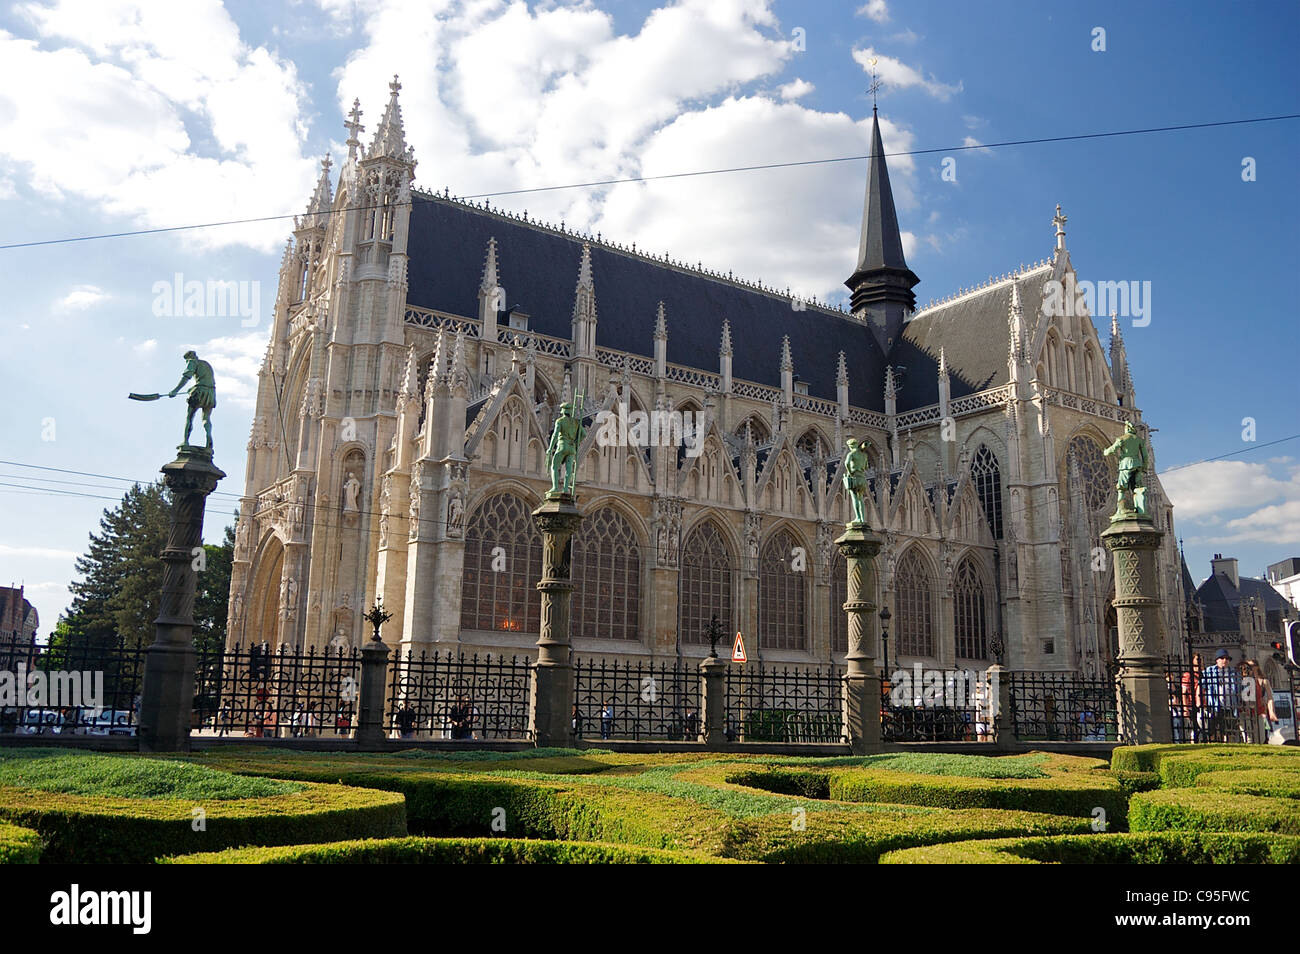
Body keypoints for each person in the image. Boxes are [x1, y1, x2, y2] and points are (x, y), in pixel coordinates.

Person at [1201, 650, 1240, 743]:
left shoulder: (1234, 673)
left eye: (1227, 658)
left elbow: (1239, 689)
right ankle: (1212, 746)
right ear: (1217, 660)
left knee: (1229, 730)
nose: (1225, 660)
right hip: (1215, 705)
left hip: (1230, 705)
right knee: (1212, 730)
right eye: (1222, 658)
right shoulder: (1209, 671)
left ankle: (1228, 747)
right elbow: (1202, 686)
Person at [1242, 659, 1279, 744]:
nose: (1249, 668)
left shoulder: (1263, 681)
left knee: (1261, 737)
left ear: (1257, 667)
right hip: (1247, 712)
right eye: (1247, 666)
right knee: (1249, 738)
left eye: (1252, 666)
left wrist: (1272, 712)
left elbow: (1270, 698)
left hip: (1260, 711)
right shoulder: (1244, 680)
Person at [1180, 653, 1204, 743]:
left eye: (1201, 659)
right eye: (1197, 659)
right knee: (1194, 729)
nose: (1200, 661)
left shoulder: (1204, 674)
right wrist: (1185, 708)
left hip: (1204, 704)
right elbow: (1184, 692)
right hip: (1192, 705)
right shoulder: (1188, 675)